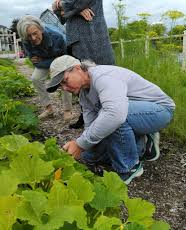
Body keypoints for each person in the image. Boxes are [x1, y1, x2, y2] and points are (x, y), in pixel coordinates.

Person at [46, 55, 175, 184]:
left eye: (65, 81)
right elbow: (91, 127)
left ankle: (130, 167)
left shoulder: (102, 77)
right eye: (60, 86)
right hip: (135, 114)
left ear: (77, 68)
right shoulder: (84, 96)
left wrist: (80, 144)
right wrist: (83, 149)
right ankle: (144, 144)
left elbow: (115, 114)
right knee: (89, 155)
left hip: (160, 110)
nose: (65, 88)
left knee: (111, 116)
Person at [52, 0, 115, 128]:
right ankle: (86, 116)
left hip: (93, 37)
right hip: (76, 41)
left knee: (100, 75)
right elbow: (62, 17)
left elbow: (78, 3)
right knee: (80, 79)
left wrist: (59, 5)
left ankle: (110, 117)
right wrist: (72, 10)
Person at [17, 15, 73, 121]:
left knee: (65, 78)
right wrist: (50, 60)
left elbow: (65, 59)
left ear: (40, 29)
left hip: (61, 62)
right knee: (35, 78)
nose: (33, 38)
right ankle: (48, 108)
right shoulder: (26, 41)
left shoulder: (58, 37)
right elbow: (36, 63)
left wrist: (43, 60)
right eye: (29, 36)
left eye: (35, 33)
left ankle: (67, 109)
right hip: (49, 61)